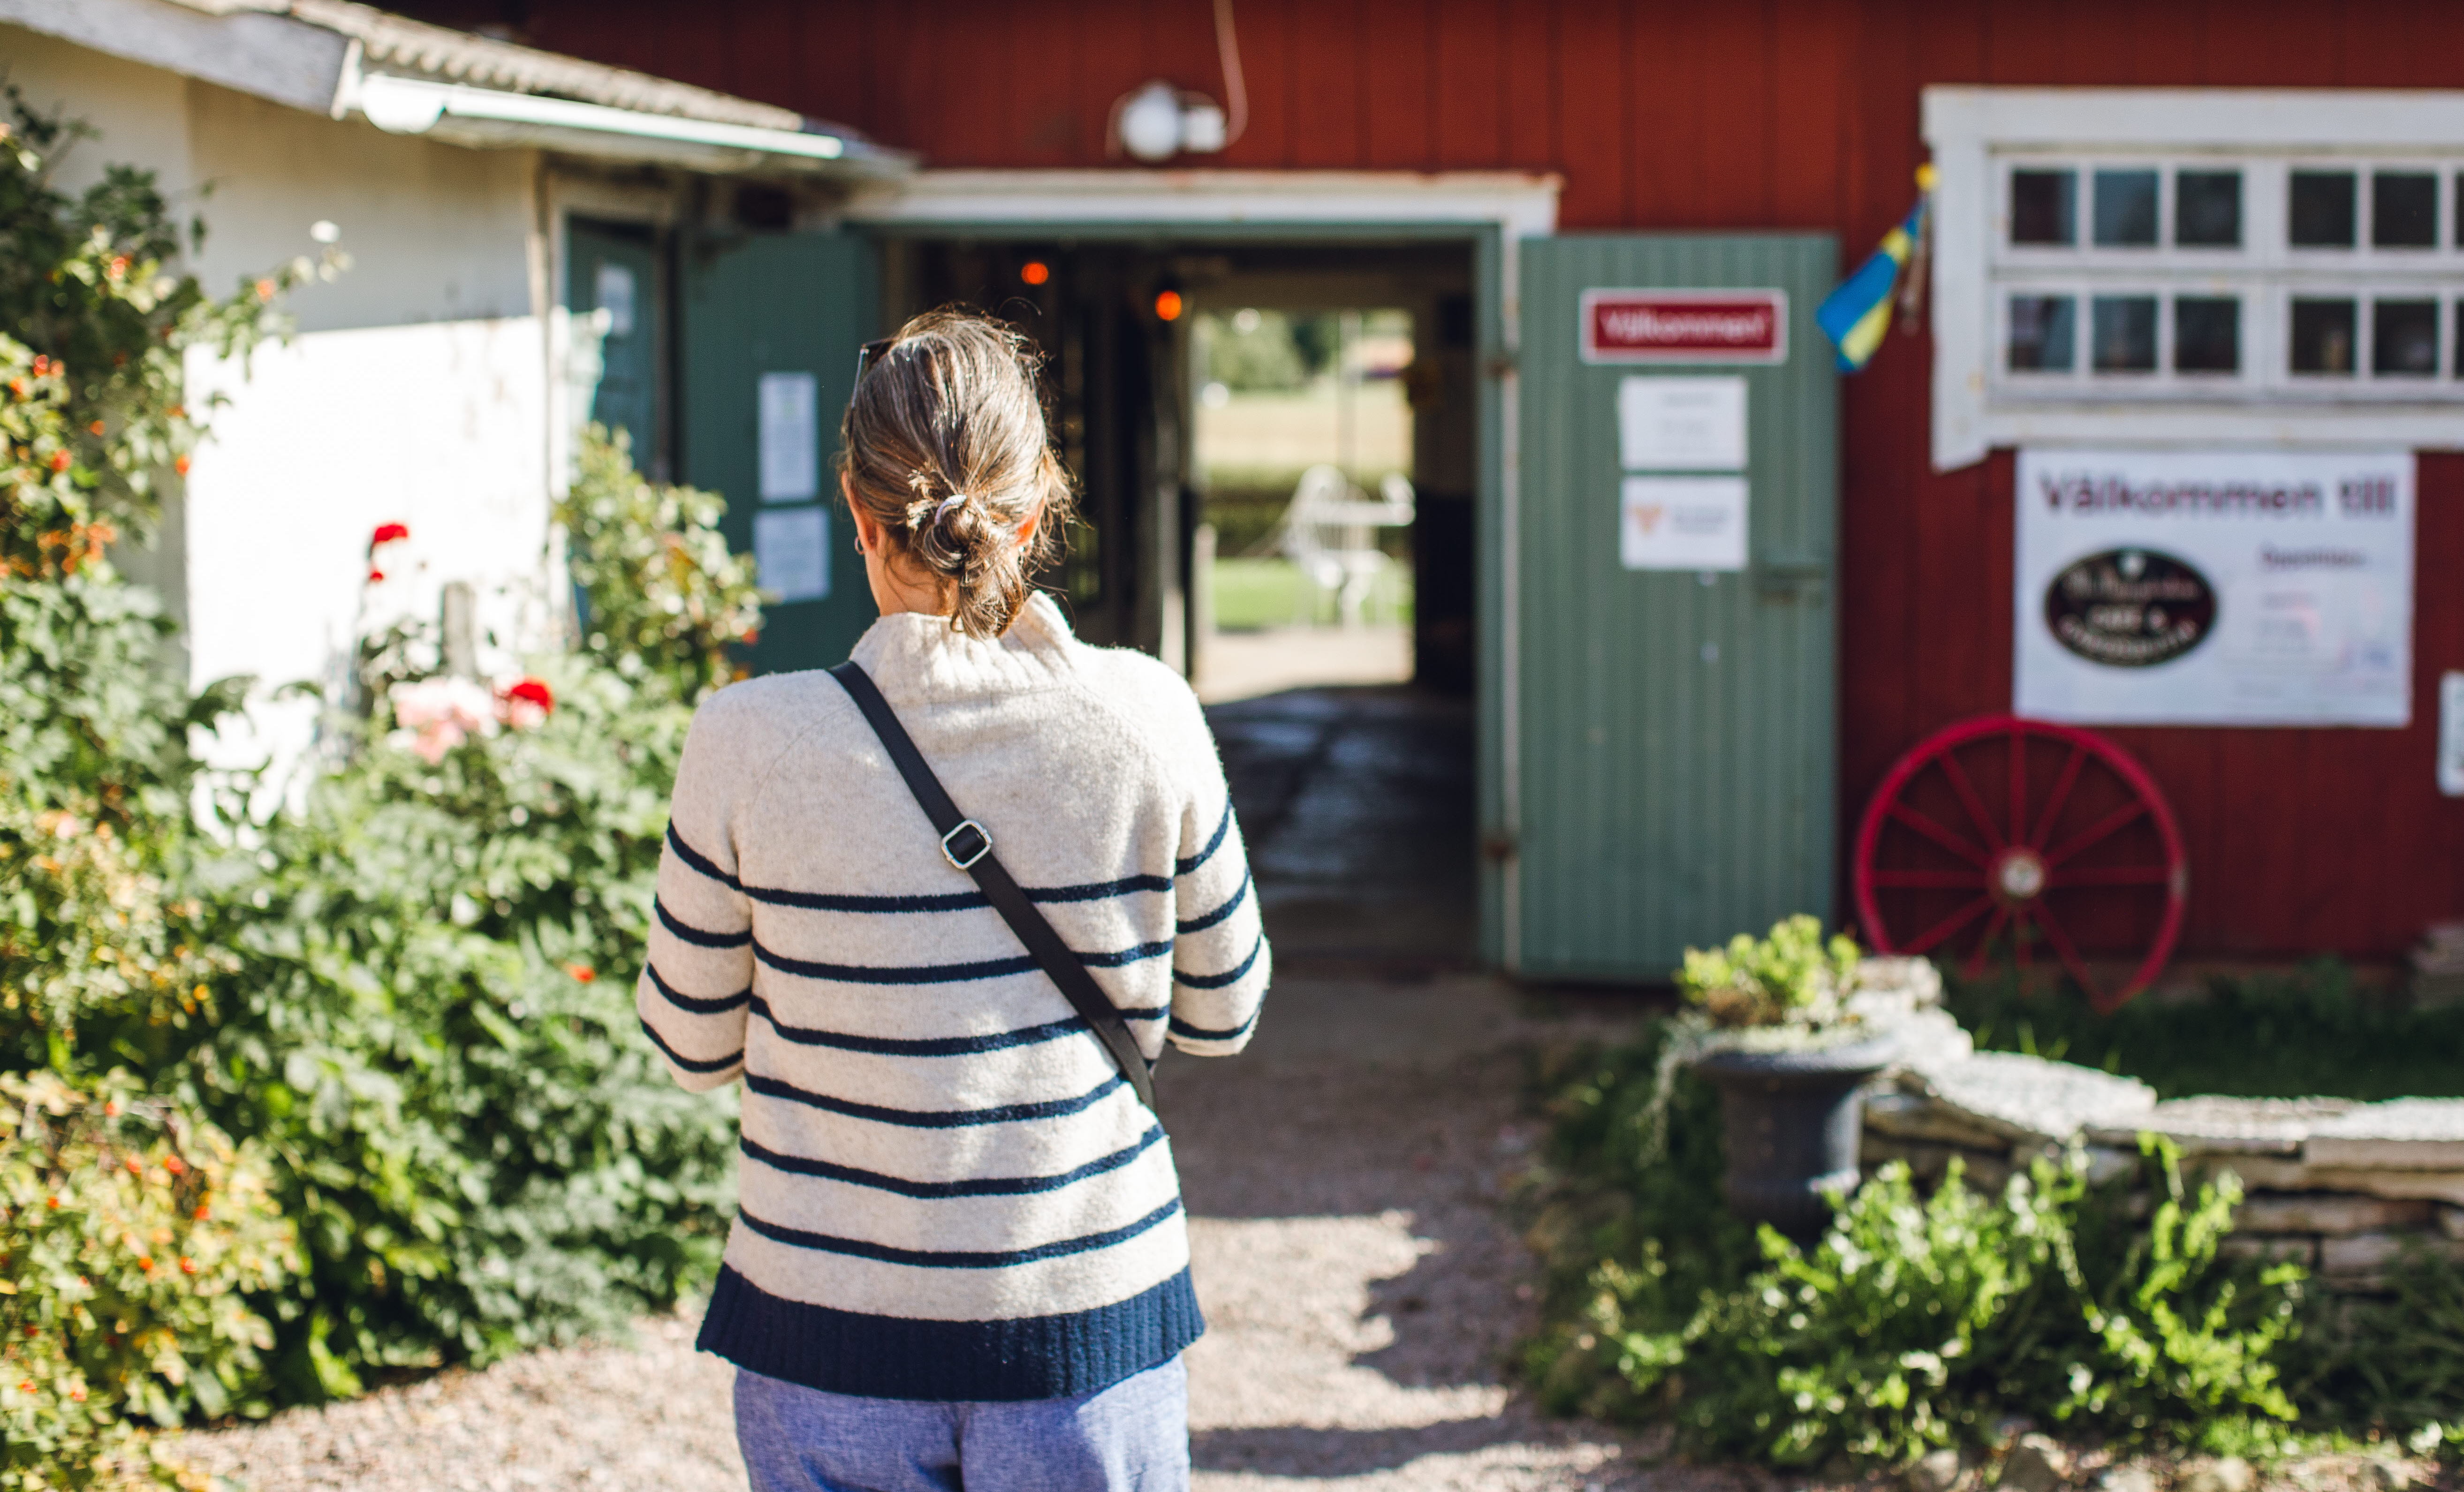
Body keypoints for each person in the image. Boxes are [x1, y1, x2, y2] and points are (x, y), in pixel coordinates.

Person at [637, 307, 1270, 1492]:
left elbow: (686, 1043)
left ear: (854, 505)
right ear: (1034, 512)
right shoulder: (1146, 715)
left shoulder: (745, 740)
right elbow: (1223, 1014)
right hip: (1081, 1319)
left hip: (823, 1330)